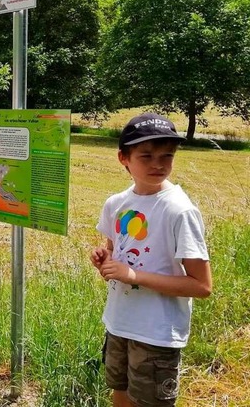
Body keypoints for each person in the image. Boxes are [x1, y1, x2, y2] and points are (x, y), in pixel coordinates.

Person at [90, 112, 212, 407]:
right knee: (119, 391)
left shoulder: (179, 211)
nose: (158, 164)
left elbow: (202, 285)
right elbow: (114, 250)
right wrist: (103, 258)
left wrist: (133, 275)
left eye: (167, 156)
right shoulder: (116, 204)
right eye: (146, 156)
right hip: (119, 321)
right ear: (124, 158)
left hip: (156, 332)